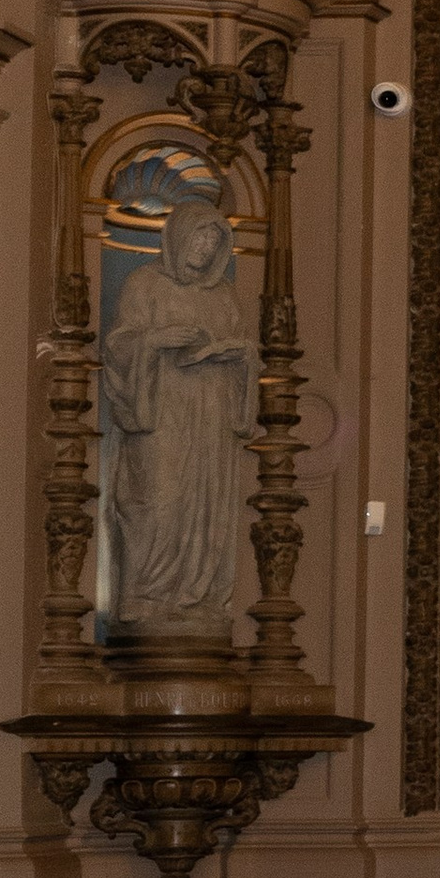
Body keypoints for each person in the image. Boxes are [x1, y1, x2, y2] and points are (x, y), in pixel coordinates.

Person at [102, 200, 255, 624]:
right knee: (157, 499)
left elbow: (241, 343)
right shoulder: (143, 285)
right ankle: (144, 593)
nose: (205, 247)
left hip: (211, 416)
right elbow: (119, 345)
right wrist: (156, 340)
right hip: (162, 410)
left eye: (213, 239)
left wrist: (239, 355)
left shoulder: (223, 295)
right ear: (178, 235)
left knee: (206, 503)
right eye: (200, 236)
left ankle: (199, 595)